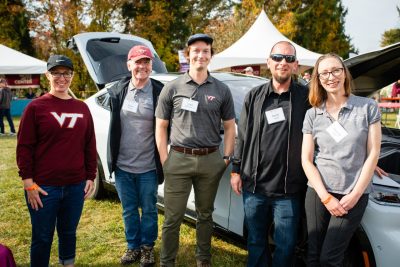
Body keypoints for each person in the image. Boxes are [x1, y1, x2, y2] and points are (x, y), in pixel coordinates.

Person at [155, 33, 236, 267]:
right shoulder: (172, 87)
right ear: (188, 54)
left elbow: (230, 127)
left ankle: (203, 258)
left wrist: (226, 157)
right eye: (196, 50)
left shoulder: (221, 90)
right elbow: (161, 126)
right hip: (178, 159)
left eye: (206, 51)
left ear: (211, 56)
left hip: (211, 159)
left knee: (205, 215)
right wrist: (165, 160)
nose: (201, 55)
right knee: (173, 217)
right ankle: (167, 261)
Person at [230, 41, 309, 267]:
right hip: (254, 187)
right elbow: (242, 135)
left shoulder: (307, 98)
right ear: (268, 62)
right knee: (255, 241)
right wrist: (236, 170)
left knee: (286, 245)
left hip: (289, 189)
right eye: (277, 57)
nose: (282, 62)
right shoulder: (254, 96)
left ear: (296, 65)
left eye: (288, 59)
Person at [16, 55, 97, 267]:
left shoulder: (82, 108)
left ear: (72, 76)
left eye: (66, 73)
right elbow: (24, 147)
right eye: (56, 73)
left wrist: (90, 176)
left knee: (69, 233)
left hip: (75, 185)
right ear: (47, 76)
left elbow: (89, 144)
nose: (62, 78)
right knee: (42, 237)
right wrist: (28, 183)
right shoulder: (36, 107)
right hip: (43, 187)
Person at [301, 53, 381, 267]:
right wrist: (326, 197)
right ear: (318, 78)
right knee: (313, 254)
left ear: (344, 73)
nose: (331, 77)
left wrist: (355, 195)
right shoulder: (313, 114)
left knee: (330, 259)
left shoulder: (367, 107)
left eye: (336, 70)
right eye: (324, 73)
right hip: (318, 193)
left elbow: (373, 153)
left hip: (352, 195)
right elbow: (307, 160)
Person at [107, 45, 164, 266]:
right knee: (129, 210)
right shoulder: (118, 90)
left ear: (151, 65)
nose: (142, 66)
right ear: (129, 64)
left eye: (146, 62)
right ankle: (132, 247)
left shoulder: (159, 91)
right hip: (122, 166)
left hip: (148, 166)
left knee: (149, 210)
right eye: (137, 62)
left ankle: (147, 247)